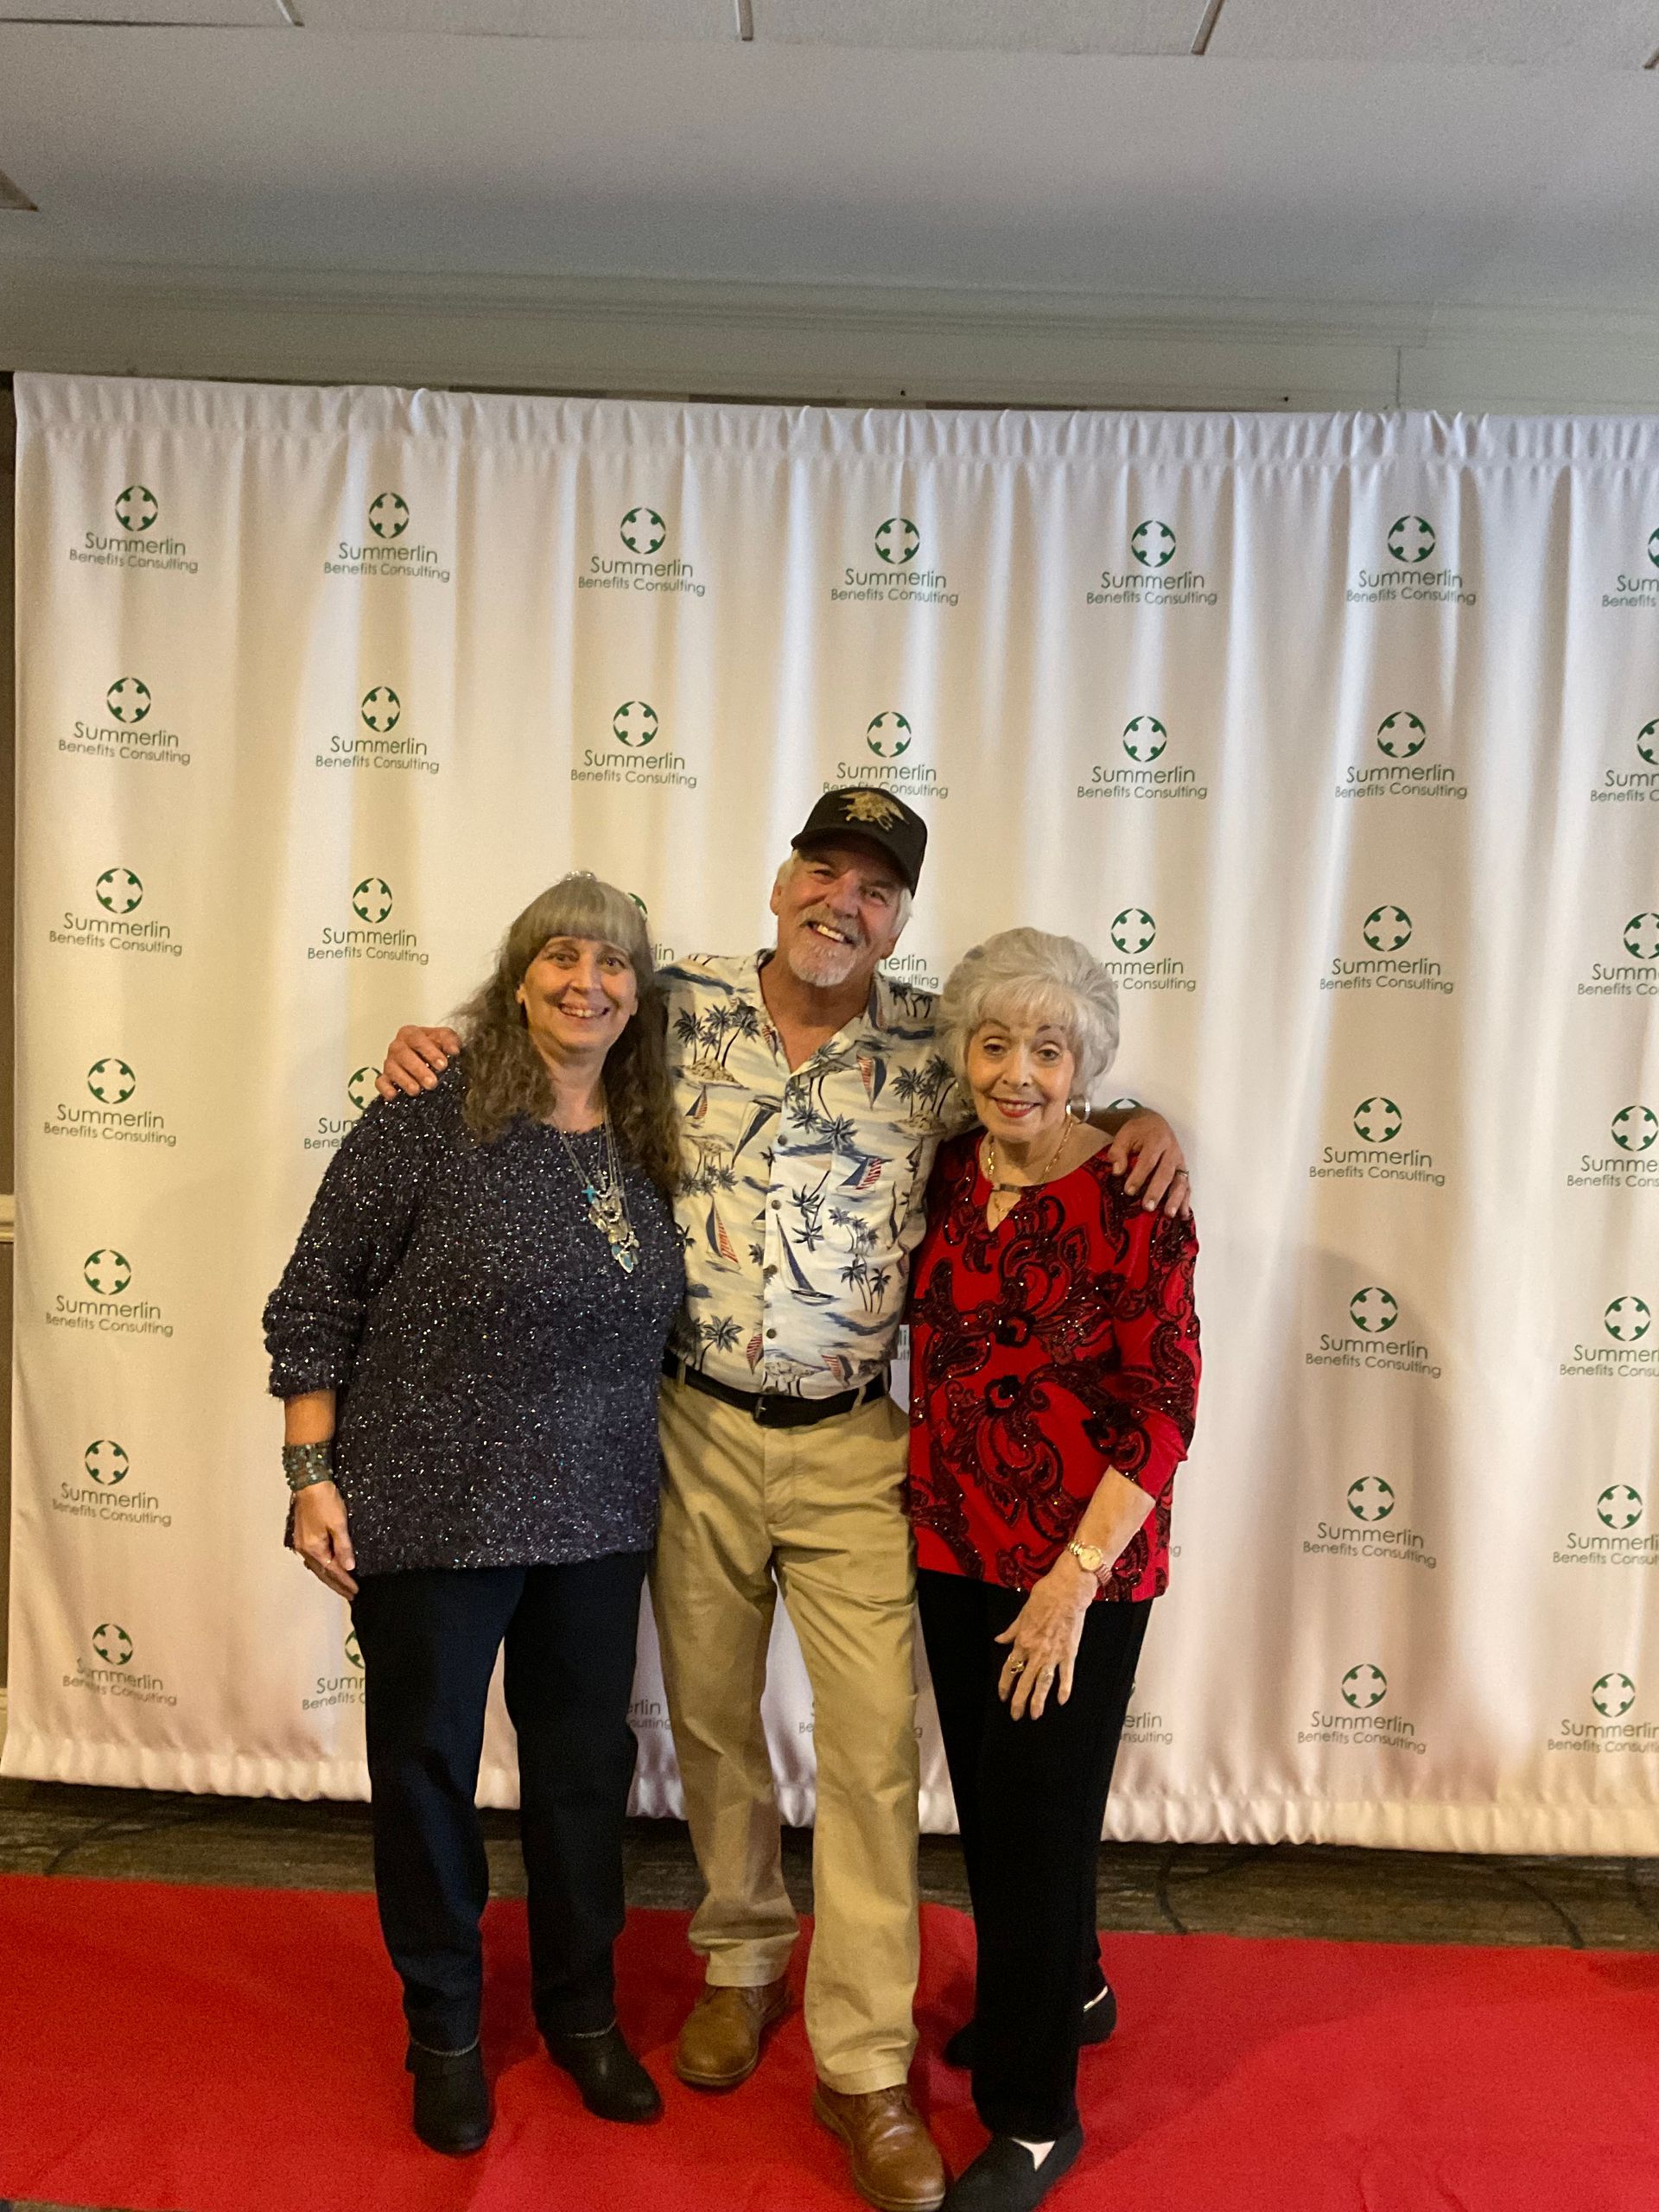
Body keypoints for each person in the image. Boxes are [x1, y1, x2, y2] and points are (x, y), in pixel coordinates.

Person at [378, 791, 1190, 2210]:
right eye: (826, 872)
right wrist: (432, 1042)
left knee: (871, 1751)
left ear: (900, 919)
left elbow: (1041, 1088)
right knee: (708, 1720)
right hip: (688, 1422)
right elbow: (545, 1034)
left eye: (877, 891)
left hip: (857, 1445)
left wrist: (1143, 1116)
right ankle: (742, 1959)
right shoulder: (674, 1005)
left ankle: (866, 2059)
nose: (844, 904)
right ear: (780, 881)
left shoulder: (939, 1043)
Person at [264, 874, 684, 2158]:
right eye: (563, 957)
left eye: (614, 965)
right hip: (432, 1510)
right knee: (429, 1772)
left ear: (638, 993)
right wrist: (308, 1474)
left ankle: (581, 2014)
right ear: (517, 979)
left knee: (578, 1778)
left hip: (601, 1517)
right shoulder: (426, 1115)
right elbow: (315, 1295)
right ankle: (444, 2025)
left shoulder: (656, 1130)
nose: (588, 983)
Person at [906, 928, 1200, 2212]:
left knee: (1030, 1826)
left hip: (1078, 1571)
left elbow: (1167, 1405)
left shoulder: (1140, 1201)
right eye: (993, 1042)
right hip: (950, 1538)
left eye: (1048, 1047)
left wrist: (1072, 1580)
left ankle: (1032, 2117)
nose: (1017, 1070)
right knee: (1002, 1802)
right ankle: (1068, 1984)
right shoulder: (953, 1171)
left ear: (1087, 1064)